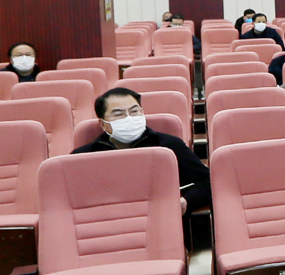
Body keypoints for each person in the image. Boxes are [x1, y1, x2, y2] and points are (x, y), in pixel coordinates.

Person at [74, 88, 211, 214]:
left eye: (134, 111)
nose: (129, 118)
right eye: (119, 114)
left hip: (161, 218)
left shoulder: (169, 145)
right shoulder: (83, 156)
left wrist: (186, 201)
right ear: (103, 124)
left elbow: (207, 182)